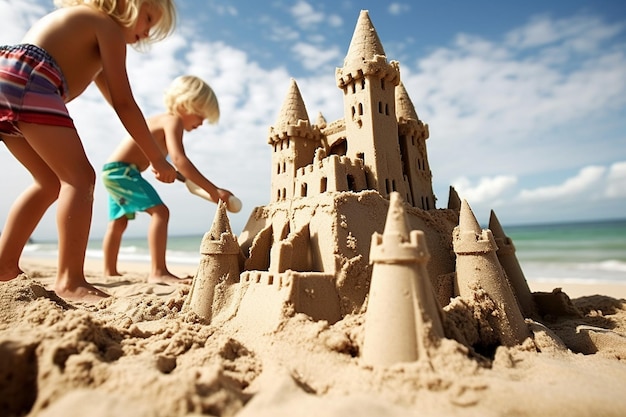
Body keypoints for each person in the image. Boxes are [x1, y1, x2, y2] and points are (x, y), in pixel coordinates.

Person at [0, 0, 178, 302]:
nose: (147, 33)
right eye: (148, 19)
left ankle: (4, 267)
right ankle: (70, 280)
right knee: (80, 178)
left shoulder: (86, 30)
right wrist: (157, 159)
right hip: (32, 78)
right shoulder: (106, 25)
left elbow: (116, 102)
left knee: (49, 183)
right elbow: (125, 104)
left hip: (9, 75)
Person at [101, 75, 233, 284]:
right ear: (185, 104)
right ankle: (158, 271)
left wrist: (179, 177)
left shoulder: (161, 121)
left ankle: (109, 272)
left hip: (113, 170)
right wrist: (214, 190)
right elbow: (180, 160)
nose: (201, 122)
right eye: (200, 115)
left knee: (118, 222)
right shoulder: (172, 120)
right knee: (161, 213)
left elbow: (174, 168)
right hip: (124, 172)